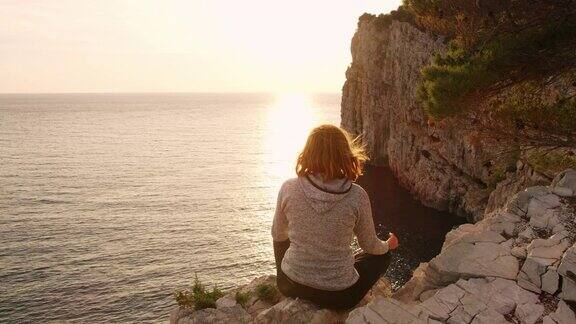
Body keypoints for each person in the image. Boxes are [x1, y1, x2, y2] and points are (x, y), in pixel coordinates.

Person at [271, 124, 399, 310]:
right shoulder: (357, 195)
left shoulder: (288, 187)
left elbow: (278, 235)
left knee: (280, 238)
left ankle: (285, 276)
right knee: (382, 257)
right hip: (339, 297)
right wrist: (388, 245)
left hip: (290, 286)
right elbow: (370, 246)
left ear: (308, 152)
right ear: (345, 154)